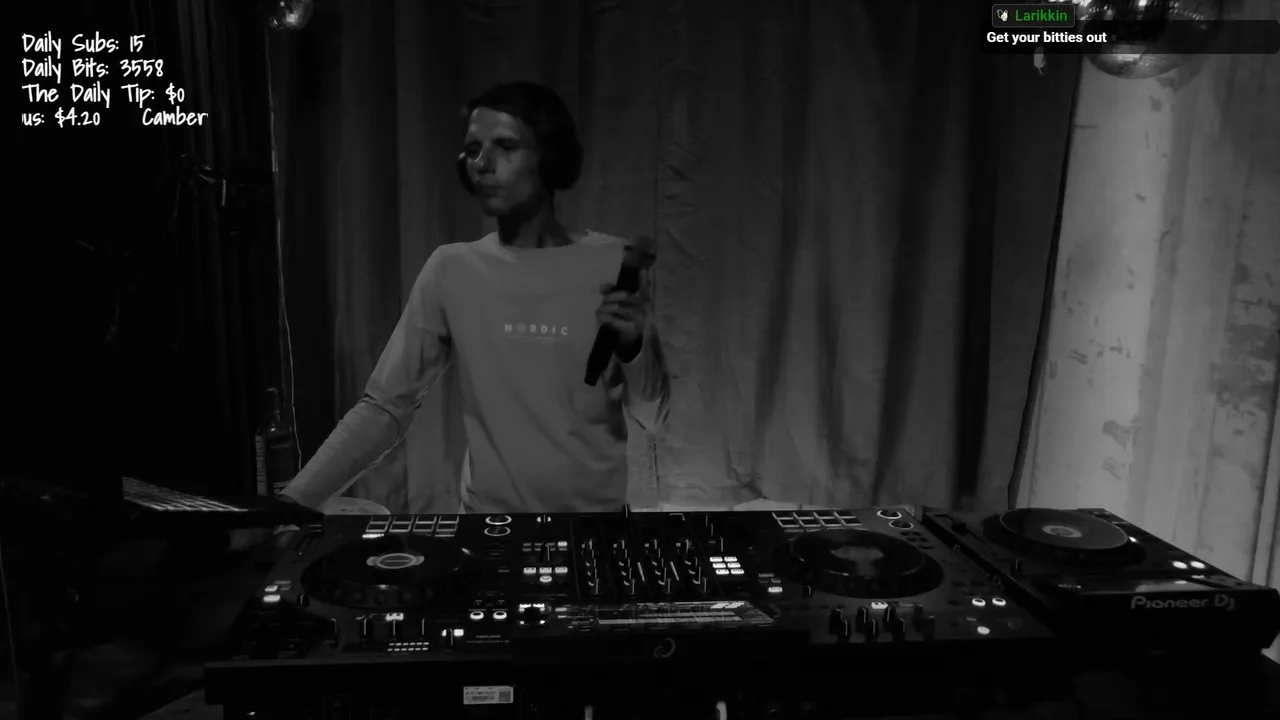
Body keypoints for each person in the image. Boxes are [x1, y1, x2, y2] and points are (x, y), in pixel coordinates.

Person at [279, 81, 670, 514]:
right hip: (488, 529)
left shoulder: (614, 263)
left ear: (549, 155)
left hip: (597, 529)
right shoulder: (452, 269)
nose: (482, 164)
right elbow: (384, 409)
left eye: (505, 146)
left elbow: (652, 413)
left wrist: (634, 347)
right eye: (472, 150)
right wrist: (291, 504)